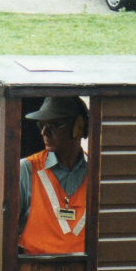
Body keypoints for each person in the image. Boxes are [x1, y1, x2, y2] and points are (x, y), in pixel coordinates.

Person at [18, 97, 89, 255]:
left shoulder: (97, 172)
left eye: (53, 125)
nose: (44, 132)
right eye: (42, 125)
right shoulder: (27, 170)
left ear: (78, 127)